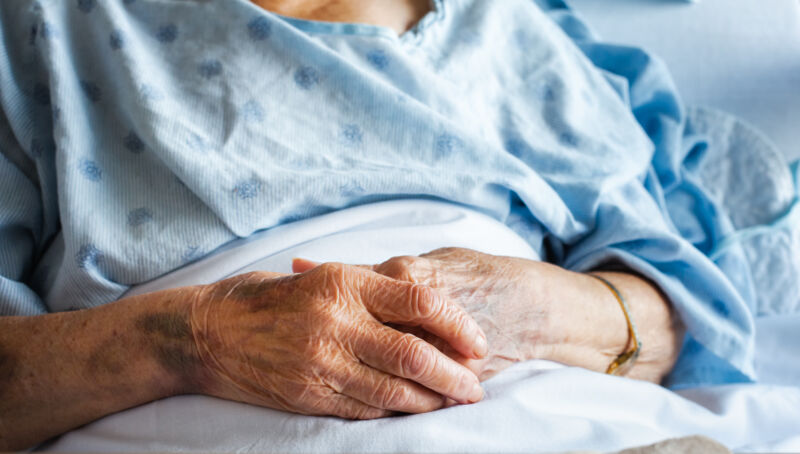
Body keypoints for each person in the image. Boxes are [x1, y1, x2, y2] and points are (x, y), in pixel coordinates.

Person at [0, 0, 772, 450]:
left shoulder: (507, 29)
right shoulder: (44, 27)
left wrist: (540, 314)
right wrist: (194, 338)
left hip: (571, 421)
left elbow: (677, 323)